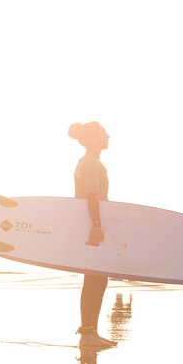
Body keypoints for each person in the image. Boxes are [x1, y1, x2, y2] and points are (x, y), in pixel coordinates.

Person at [68, 121, 118, 348]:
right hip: (92, 224)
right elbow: (91, 197)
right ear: (91, 139)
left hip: (89, 224)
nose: (108, 136)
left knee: (96, 278)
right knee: (95, 278)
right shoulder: (90, 163)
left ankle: (90, 333)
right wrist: (96, 226)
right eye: (103, 133)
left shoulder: (88, 162)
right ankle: (88, 335)